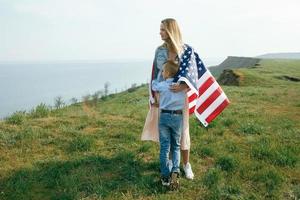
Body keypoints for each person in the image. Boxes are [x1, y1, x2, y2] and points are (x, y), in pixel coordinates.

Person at [141, 18, 194, 180]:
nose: (160, 32)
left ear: (171, 30)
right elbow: (156, 74)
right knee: (165, 134)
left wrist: (184, 86)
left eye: (163, 29)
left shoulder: (186, 50)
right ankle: (170, 164)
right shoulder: (159, 51)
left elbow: (193, 74)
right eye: (160, 29)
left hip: (179, 99)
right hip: (163, 97)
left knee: (183, 132)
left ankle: (186, 165)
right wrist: (154, 96)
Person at [152, 60, 185, 188]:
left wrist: (159, 75)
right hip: (177, 117)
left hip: (164, 116)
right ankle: (175, 171)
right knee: (176, 146)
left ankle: (165, 176)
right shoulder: (181, 86)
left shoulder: (162, 85)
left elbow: (154, 85)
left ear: (166, 73)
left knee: (165, 147)